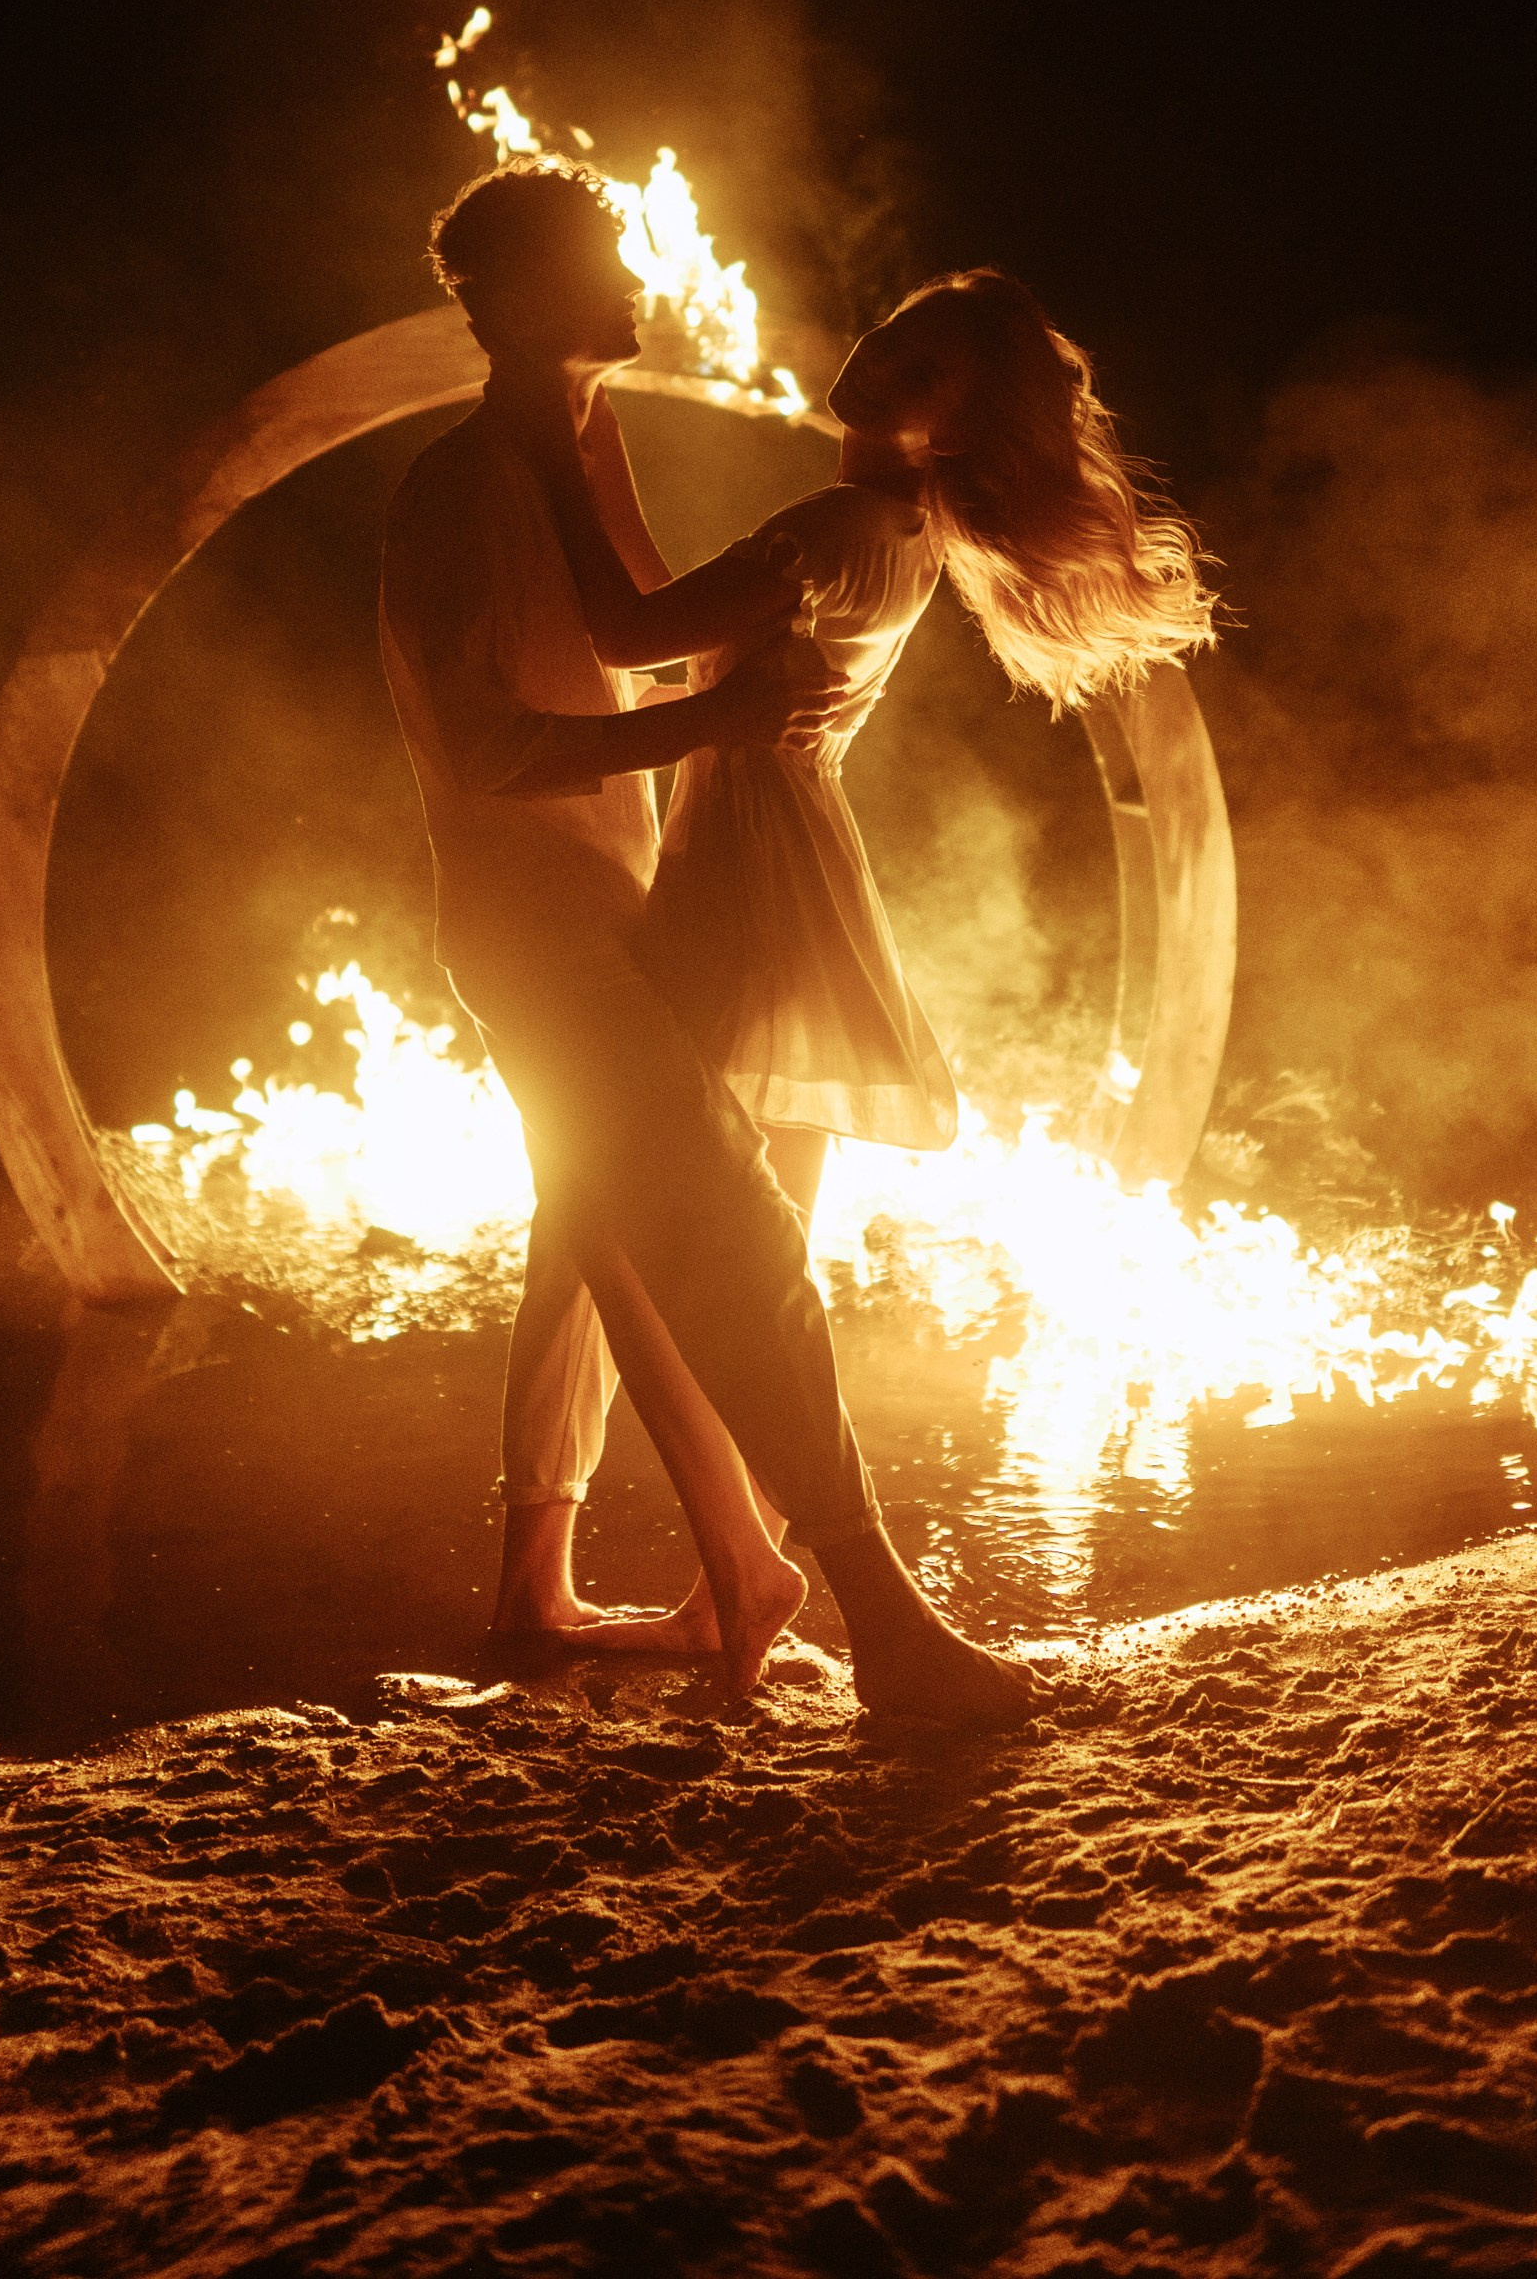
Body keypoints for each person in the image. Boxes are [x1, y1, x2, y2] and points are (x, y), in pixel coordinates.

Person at [378, 158, 1033, 1724]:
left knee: (597, 1227)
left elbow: (639, 635)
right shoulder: (465, 490)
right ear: (527, 299)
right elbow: (485, 749)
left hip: (620, 894)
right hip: (533, 926)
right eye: (608, 256)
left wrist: (736, 733)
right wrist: (728, 713)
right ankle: (868, 1609)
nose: (643, 275)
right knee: (725, 1232)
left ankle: (548, 1588)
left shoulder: (581, 449)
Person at [488, 257, 1217, 1618]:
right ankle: (685, 1582)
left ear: (958, 426)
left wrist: (549, 448)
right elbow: (674, 624)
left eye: (925, 369)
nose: (880, 361)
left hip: (749, 882)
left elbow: (622, 628)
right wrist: (593, 450)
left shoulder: (844, 529)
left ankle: (655, 1578)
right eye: (897, 333)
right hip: (764, 860)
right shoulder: (883, 532)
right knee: (720, 1232)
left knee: (623, 1210)